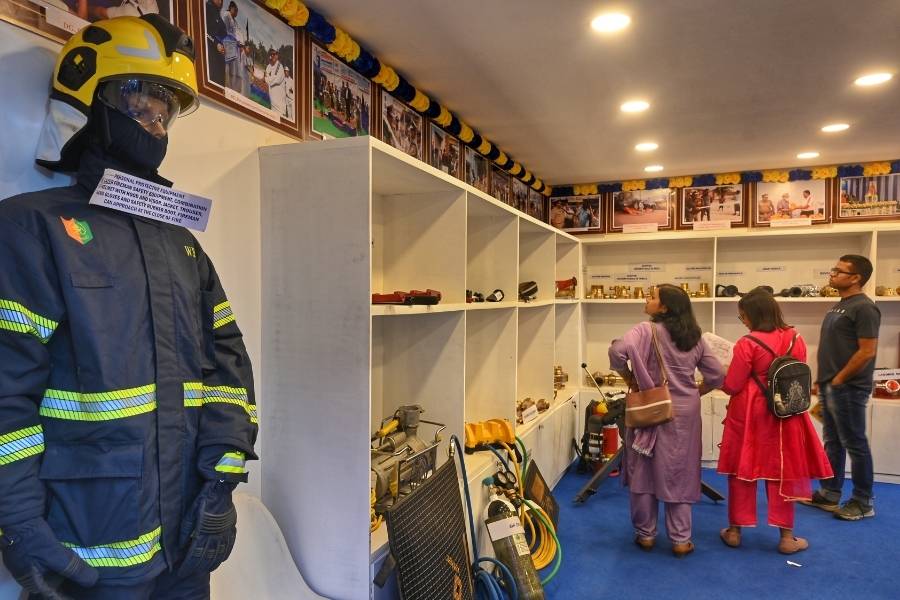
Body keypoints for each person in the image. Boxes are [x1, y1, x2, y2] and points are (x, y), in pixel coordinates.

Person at [0, 16, 257, 598]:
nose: (154, 119)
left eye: (166, 108)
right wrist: (17, 524)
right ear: (85, 98)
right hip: (84, 551)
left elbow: (227, 366)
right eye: (137, 96)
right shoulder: (32, 229)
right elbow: (4, 389)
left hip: (187, 545)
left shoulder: (181, 244)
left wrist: (221, 482)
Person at [608, 284, 724, 557]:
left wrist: (630, 379)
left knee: (644, 470)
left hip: (650, 407)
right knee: (680, 472)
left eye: (652, 297)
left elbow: (617, 352)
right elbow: (717, 375)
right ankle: (681, 540)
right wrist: (697, 390)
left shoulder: (644, 331)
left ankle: (645, 535)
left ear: (664, 307)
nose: (646, 300)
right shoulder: (694, 336)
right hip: (685, 412)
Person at [717, 290, 832, 554]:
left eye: (743, 315)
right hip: (785, 412)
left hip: (750, 413)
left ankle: (735, 531)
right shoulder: (796, 338)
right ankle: (786, 538)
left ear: (754, 315)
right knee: (784, 470)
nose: (743, 320)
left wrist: (724, 371)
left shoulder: (747, 343)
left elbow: (733, 385)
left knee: (742, 469)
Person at [802, 255, 880, 520]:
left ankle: (863, 502)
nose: (832, 274)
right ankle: (829, 493)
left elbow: (867, 351)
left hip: (848, 387)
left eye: (838, 270)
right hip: (831, 385)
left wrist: (840, 378)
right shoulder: (841, 305)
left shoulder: (865, 308)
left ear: (856, 277)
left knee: (855, 444)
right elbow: (834, 347)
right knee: (833, 442)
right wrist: (822, 380)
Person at [205, 0, 226, 86]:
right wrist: (215, 43)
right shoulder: (207, 8)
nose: (220, 1)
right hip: (208, 51)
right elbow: (204, 31)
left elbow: (223, 34)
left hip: (218, 54)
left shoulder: (217, 14)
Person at [222, 1, 241, 92]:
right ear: (232, 8)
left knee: (233, 69)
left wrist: (238, 42)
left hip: (233, 45)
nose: (237, 13)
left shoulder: (234, 20)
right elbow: (224, 31)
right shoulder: (226, 15)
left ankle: (232, 88)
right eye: (236, 11)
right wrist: (234, 40)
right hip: (227, 43)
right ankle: (225, 85)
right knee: (227, 67)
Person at [265, 49, 287, 118]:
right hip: (272, 100)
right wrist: (267, 78)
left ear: (277, 55)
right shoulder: (268, 66)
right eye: (271, 54)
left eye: (274, 54)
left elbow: (275, 80)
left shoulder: (279, 66)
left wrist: (266, 79)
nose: (272, 56)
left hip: (279, 104)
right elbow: (266, 77)